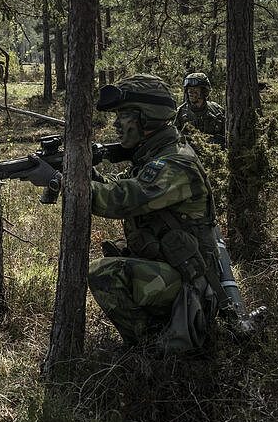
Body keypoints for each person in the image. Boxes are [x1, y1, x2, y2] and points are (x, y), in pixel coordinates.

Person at [24, 74, 255, 353]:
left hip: (191, 287)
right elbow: (122, 188)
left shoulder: (174, 162)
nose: (116, 124)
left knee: (104, 273)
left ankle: (151, 348)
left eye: (123, 116)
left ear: (146, 117)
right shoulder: (154, 154)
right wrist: (81, 171)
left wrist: (62, 181)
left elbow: (121, 200)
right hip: (175, 269)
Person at [174, 72, 225, 146]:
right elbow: (174, 139)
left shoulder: (217, 110)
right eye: (189, 89)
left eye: (195, 89)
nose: (191, 92)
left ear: (204, 91)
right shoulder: (180, 113)